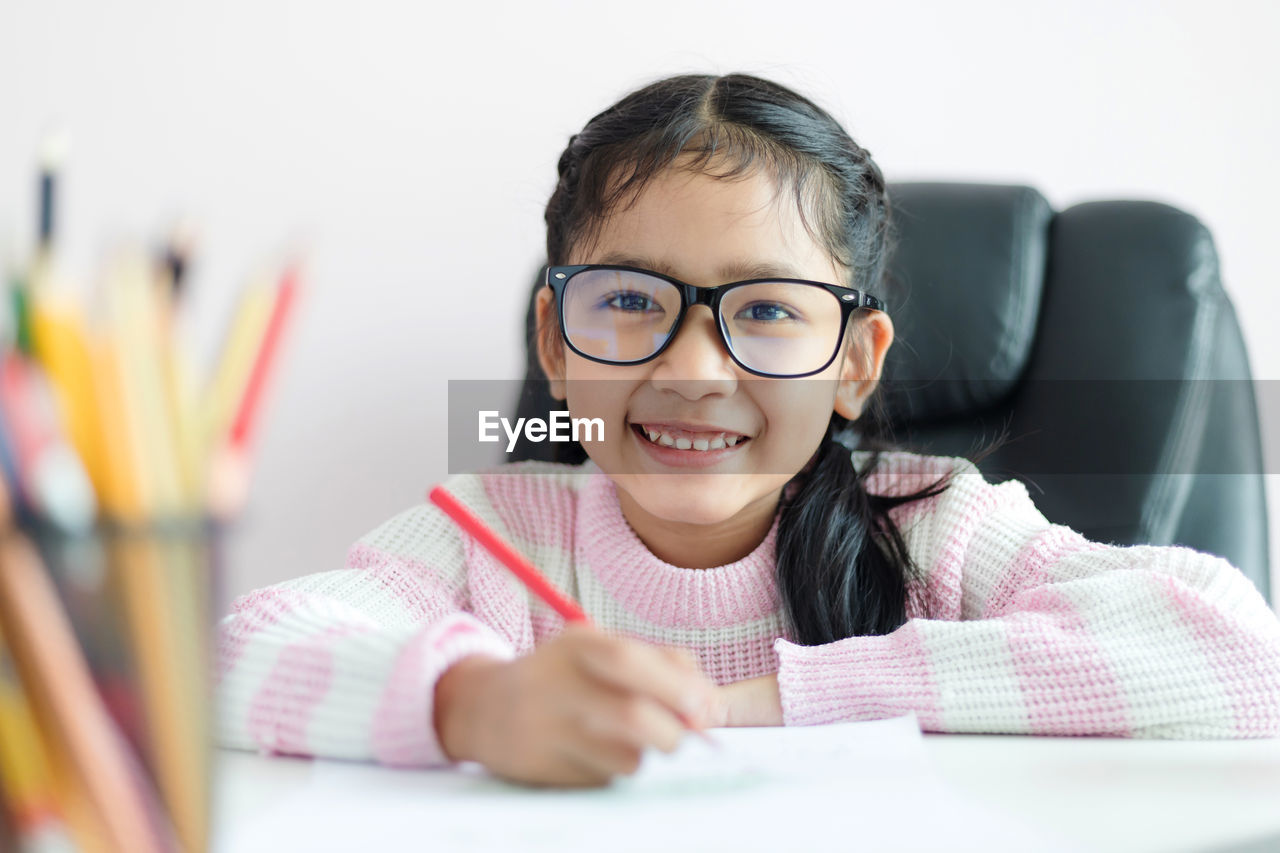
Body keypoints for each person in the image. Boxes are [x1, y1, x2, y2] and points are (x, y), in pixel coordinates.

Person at [217, 72, 1280, 789]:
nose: (689, 370)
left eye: (765, 310)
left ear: (854, 364)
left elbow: (1240, 655)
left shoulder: (929, 524)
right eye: (629, 301)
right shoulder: (485, 532)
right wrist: (467, 705)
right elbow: (226, 661)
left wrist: (773, 704)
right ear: (552, 338)